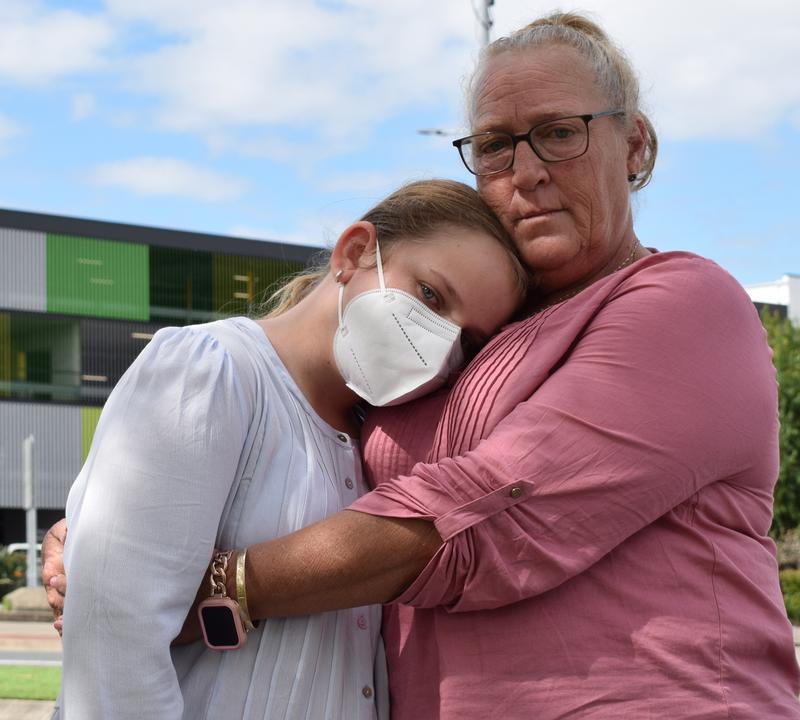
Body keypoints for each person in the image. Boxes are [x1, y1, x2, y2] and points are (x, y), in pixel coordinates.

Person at [46, 11, 800, 719]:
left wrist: (205, 585)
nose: (526, 170)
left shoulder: (680, 303)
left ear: (634, 145)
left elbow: (480, 518)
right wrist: (112, 536)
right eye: (496, 144)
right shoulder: (473, 343)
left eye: (559, 133)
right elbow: (304, 482)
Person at [55, 178, 526, 719]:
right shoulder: (211, 370)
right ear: (353, 253)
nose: (442, 342)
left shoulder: (377, 447)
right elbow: (115, 640)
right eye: (430, 295)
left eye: (467, 340)